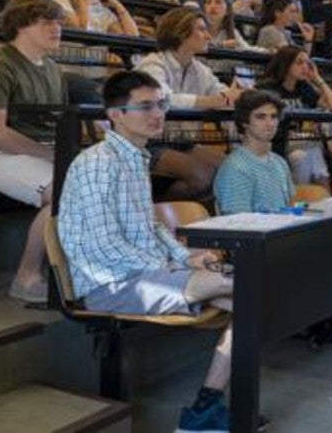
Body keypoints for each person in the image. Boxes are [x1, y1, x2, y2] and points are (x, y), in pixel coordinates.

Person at [58, 70, 239, 431]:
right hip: (109, 284)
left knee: (255, 303)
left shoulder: (135, 158)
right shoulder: (98, 164)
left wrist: (185, 256)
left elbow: (150, 225)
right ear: (115, 114)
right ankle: (202, 415)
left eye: (161, 105)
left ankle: (204, 408)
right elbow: (104, 246)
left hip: (143, 273)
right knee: (246, 286)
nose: (157, 114)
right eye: (145, 106)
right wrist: (175, 267)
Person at [0, 0, 66, 303]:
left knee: (99, 178)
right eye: (47, 22)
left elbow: (55, 125)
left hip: (34, 153)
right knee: (64, 189)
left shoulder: (52, 69)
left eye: (59, 22)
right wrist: (51, 156)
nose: (56, 28)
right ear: (21, 25)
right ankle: (27, 276)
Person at [135, 7, 242, 201]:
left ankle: (197, 217)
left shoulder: (200, 69)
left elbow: (221, 92)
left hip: (181, 142)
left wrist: (238, 96)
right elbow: (161, 99)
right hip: (145, 144)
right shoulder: (152, 64)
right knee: (202, 176)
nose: (208, 36)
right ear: (180, 33)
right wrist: (210, 101)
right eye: (201, 29)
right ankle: (155, 209)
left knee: (232, 170)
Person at [256, 46, 332, 186]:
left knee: (310, 153)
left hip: (296, 142)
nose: (305, 67)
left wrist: (318, 79)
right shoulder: (268, 87)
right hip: (274, 142)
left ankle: (307, 197)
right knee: (308, 154)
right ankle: (313, 197)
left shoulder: (303, 87)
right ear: (286, 64)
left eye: (307, 63)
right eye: (299, 62)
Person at [213, 90, 294, 215]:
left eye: (274, 116)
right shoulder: (235, 168)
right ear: (244, 122)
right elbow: (239, 226)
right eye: (260, 117)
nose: (270, 124)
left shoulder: (280, 162)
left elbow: (290, 210)